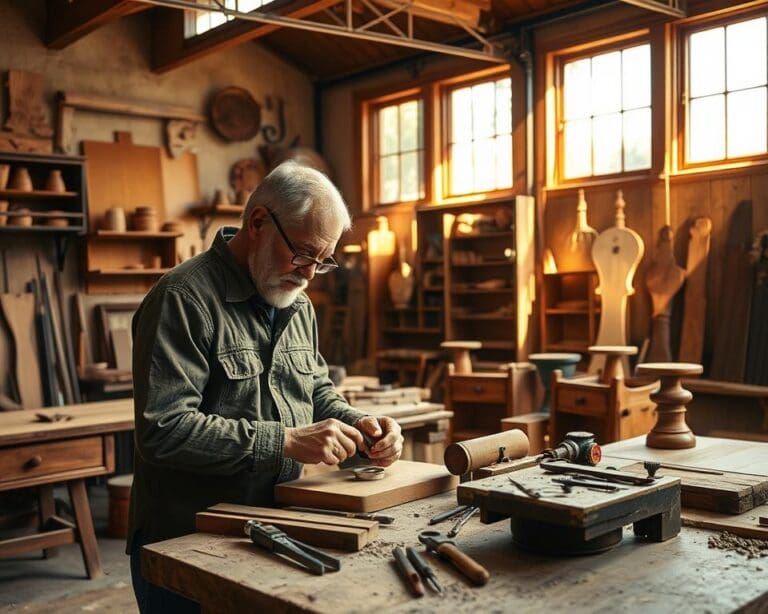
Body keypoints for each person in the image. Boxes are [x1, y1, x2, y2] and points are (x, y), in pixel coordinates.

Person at [128, 161, 403, 613]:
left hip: (276, 529)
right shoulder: (182, 300)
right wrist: (288, 440)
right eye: (302, 254)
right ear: (257, 222)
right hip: (187, 542)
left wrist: (361, 427)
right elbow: (164, 430)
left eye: (324, 261)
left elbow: (314, 390)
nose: (310, 274)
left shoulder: (298, 304)